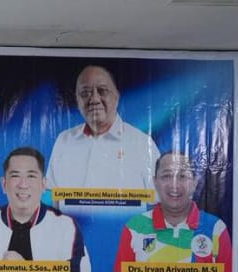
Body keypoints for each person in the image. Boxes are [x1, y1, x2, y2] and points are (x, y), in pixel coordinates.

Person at [111, 152, 233, 272]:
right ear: (155, 182)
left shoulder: (216, 228)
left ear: (194, 183)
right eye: (167, 176)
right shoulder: (134, 226)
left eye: (182, 176)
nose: (174, 185)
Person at [46, 65, 160, 195]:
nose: (94, 99)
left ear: (116, 97)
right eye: (85, 93)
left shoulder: (142, 144)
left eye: (102, 91)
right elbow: (51, 196)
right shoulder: (64, 140)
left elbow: (158, 200)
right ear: (77, 100)